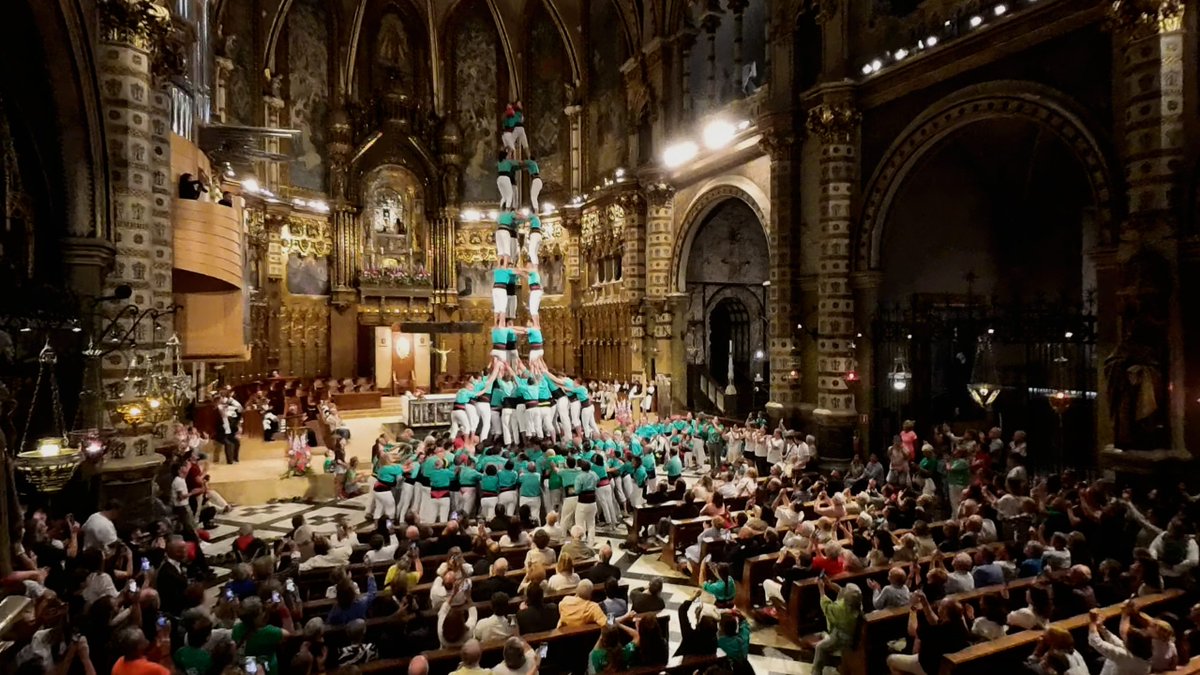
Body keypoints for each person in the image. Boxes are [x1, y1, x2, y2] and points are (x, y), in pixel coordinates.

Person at [812, 576, 863, 675]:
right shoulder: (858, 604)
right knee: (824, 635)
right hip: (851, 633)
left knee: (819, 647)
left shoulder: (841, 610)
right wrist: (829, 584)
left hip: (842, 637)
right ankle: (825, 637)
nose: (843, 590)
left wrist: (821, 589)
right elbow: (841, 591)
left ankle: (816, 671)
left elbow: (826, 606)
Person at [1089, 607, 1153, 675]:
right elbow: (1116, 642)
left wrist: (1093, 622)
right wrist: (1101, 627)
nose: (1124, 637)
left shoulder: (1125, 657)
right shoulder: (1139, 654)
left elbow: (1096, 642)